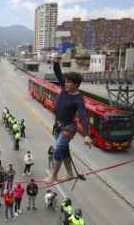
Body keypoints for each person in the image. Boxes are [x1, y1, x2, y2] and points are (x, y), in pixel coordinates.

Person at [44, 56, 92, 185]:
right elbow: (58, 73)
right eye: (65, 82)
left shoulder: (79, 99)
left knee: (58, 150)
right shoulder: (64, 88)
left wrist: (87, 135)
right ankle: (70, 174)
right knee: (64, 150)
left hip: (68, 128)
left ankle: (53, 176)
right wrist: (55, 62)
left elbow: (82, 117)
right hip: (58, 126)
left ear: (76, 84)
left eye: (69, 82)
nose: (65, 84)